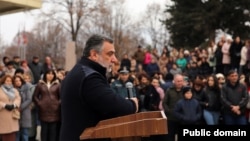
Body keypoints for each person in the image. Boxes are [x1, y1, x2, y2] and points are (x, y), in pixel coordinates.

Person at [59, 34, 138, 141]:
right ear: (94, 55)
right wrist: (132, 104)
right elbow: (114, 106)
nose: (114, 60)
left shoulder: (79, 72)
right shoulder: (90, 78)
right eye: (110, 54)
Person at [0, 74, 21, 141]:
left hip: (12, 115)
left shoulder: (14, 90)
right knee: (4, 135)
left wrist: (14, 105)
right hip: (3, 114)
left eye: (10, 81)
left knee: (12, 135)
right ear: (3, 81)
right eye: (7, 81)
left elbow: (18, 98)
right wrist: (4, 105)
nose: (9, 82)